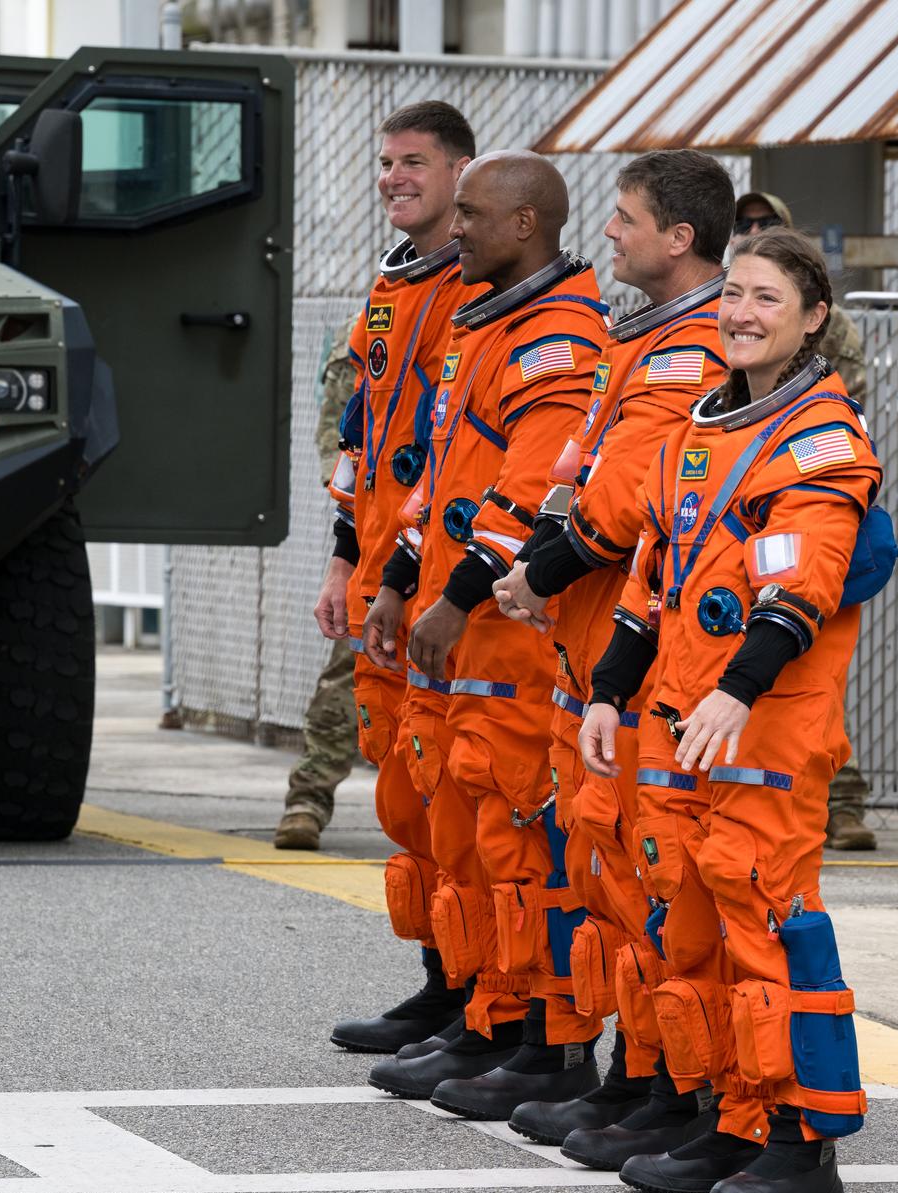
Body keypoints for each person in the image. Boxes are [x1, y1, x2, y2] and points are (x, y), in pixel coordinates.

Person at [577, 227, 882, 1193]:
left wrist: (737, 691)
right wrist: (609, 697)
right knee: (692, 925)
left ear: (813, 319)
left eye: (769, 299)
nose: (743, 312)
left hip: (763, 727)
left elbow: (797, 592)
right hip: (682, 724)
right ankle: (735, 1113)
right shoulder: (694, 434)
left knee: (768, 925)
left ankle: (805, 1145)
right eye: (736, 293)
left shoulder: (819, 441)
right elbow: (646, 589)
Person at [488, 149, 734, 1164]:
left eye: (627, 218)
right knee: (612, 872)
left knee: (657, 878)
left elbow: (626, 501)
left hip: (646, 654)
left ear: (679, 238)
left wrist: (534, 572)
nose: (611, 233)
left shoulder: (693, 349)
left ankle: (682, 1087)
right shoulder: (647, 337)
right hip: (598, 646)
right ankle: (642, 1072)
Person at [360, 151, 610, 1109]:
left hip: (508, 641)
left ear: (525, 226)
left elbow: (524, 502)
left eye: (471, 213)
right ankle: (482, 1015)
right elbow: (439, 483)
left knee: (519, 843)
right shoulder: (483, 324)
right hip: (456, 639)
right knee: (459, 834)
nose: (453, 228)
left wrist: (456, 595)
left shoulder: (557, 337)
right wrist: (393, 578)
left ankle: (539, 1039)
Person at [317, 101, 481, 1055]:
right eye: (386, 163)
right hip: (385, 573)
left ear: (462, 173)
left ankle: (480, 999)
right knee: (408, 798)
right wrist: (346, 560)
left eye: (414, 162)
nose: (394, 178)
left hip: (442, 583)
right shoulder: (390, 288)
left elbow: (450, 454)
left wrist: (409, 578)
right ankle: (439, 983)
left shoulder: (475, 290)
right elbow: (364, 437)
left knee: (465, 804)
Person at [732, 191, 877, 851]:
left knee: (805, 658)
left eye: (766, 225)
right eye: (745, 226)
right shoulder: (726, 315)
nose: (754, 231)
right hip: (737, 510)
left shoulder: (828, 337)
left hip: (802, 494)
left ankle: (837, 802)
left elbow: (845, 402)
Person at [275, 341, 363, 852]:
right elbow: (341, 443)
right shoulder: (381, 316)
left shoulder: (494, 304)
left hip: (475, 529)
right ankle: (308, 799)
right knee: (351, 663)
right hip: (388, 526)